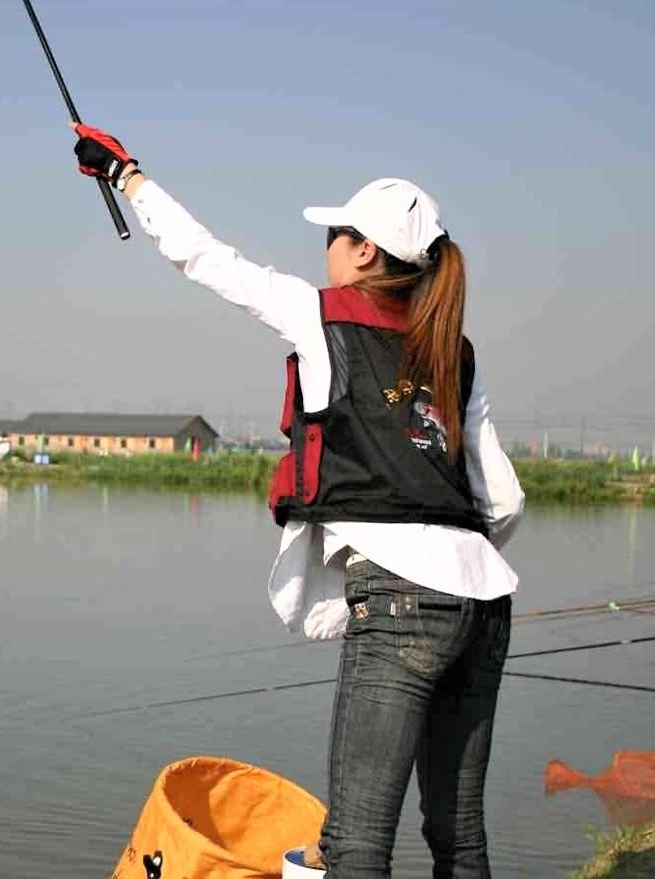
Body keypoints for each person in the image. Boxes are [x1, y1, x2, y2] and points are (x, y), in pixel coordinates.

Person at [71, 125, 525, 878]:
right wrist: (456, 566)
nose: (327, 246)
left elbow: (205, 258)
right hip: (484, 605)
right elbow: (503, 500)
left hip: (401, 601)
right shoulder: (455, 350)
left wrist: (126, 175)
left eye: (336, 234)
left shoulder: (321, 314)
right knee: (459, 839)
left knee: (353, 846)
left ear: (365, 254)